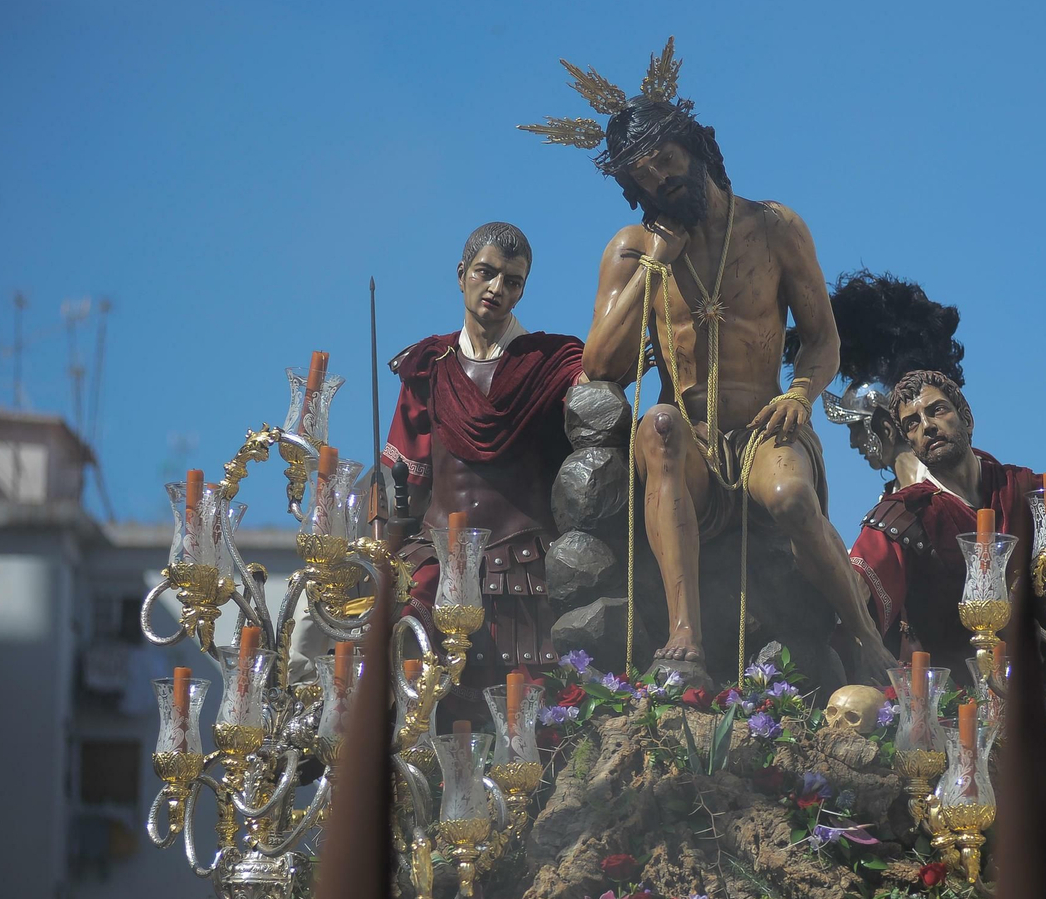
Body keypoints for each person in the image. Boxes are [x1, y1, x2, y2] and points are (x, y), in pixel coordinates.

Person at [523, 41, 896, 685]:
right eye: (641, 176)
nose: (659, 180)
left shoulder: (776, 227)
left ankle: (867, 639)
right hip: (688, 442)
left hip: (766, 429)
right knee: (657, 427)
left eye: (666, 160)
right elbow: (601, 364)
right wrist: (653, 270)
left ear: (697, 149)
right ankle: (685, 640)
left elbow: (822, 340)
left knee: (790, 498)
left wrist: (802, 393)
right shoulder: (632, 248)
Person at [380, 221, 585, 715]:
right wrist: (377, 567)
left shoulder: (553, 363)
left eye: (512, 281)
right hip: (435, 558)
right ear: (461, 274)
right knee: (408, 691)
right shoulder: (428, 364)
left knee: (527, 721)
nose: (497, 288)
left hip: (523, 564)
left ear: (523, 289)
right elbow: (401, 481)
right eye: (486, 272)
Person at [849, 370, 1042, 675]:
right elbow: (852, 591)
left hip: (1038, 683)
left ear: (966, 418)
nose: (927, 427)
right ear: (909, 442)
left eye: (936, 410)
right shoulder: (903, 514)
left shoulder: (1024, 489)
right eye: (912, 423)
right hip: (950, 698)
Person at [803, 270, 965, 497]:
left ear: (885, 427)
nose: (852, 442)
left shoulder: (949, 485)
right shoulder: (889, 499)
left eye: (856, 429)